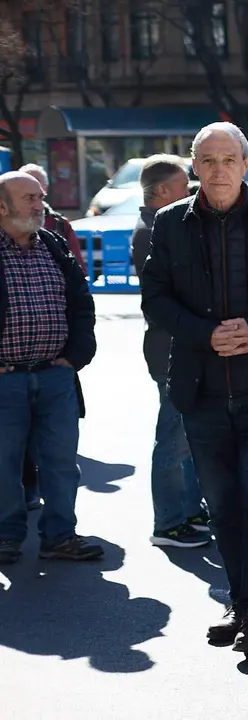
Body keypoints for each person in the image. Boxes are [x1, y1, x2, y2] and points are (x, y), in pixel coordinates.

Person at [140, 122, 248, 654]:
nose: (218, 170)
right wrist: (205, 333)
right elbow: (155, 299)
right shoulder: (169, 225)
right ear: (194, 166)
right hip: (201, 390)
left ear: (245, 162)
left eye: (227, 159)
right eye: (207, 160)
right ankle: (240, 602)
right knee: (223, 508)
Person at [0, 171, 99, 565]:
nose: (38, 204)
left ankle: (60, 536)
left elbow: (81, 305)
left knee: (61, 463)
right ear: (1, 206)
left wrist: (75, 358)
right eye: (28, 198)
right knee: (4, 465)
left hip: (55, 376)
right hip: (5, 379)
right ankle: (7, 536)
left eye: (39, 196)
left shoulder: (53, 246)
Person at [129, 154, 209, 549]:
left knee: (188, 435)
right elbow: (170, 295)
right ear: (162, 192)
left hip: (179, 347)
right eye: (183, 186)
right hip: (170, 350)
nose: (190, 191)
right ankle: (168, 522)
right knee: (173, 437)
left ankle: (188, 510)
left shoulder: (162, 225)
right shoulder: (151, 230)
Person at [17, 163, 87, 274]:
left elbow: (77, 267)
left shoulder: (59, 224)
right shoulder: (6, 222)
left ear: (45, 188)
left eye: (36, 181)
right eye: (25, 182)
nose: (31, 187)